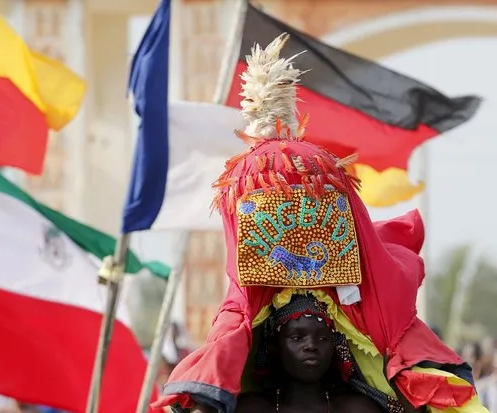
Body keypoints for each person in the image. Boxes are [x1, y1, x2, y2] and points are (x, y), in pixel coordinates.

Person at [152, 34, 487, 413]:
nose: (310, 346)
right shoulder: (253, 403)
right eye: (297, 336)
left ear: (337, 343)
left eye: (320, 337)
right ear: (275, 343)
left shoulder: (355, 406)